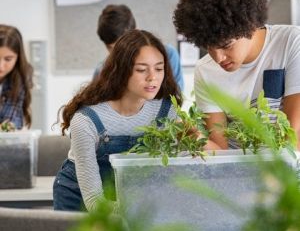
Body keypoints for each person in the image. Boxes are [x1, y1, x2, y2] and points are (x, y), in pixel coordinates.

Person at [53, 29, 219, 212]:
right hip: (79, 197)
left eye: (159, 68)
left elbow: (194, 158)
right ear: (121, 71)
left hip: (128, 195)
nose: (152, 77)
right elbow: (94, 202)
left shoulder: (166, 111)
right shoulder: (86, 121)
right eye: (141, 69)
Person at [173, 0, 300, 150]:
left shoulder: (291, 42)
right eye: (209, 48)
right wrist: (196, 138)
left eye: (226, 45)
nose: (218, 58)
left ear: (251, 26)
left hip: (285, 168)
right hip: (240, 169)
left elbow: (294, 134)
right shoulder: (205, 70)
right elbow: (220, 150)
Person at [94, 4, 184, 91]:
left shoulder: (167, 54)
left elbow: (176, 97)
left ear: (135, 32)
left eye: (122, 47)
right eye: (111, 48)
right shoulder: (102, 70)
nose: (118, 55)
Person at [0, 24, 33, 129]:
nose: (1, 66)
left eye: (8, 59)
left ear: (18, 58)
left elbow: (10, 123)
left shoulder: (21, 76)